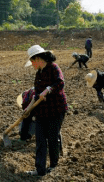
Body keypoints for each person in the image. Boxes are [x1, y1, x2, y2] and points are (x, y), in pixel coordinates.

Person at [24, 45, 68, 177]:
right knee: (40, 140)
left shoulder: (54, 67)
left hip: (56, 109)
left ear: (38, 58)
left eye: (32, 61)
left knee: (53, 139)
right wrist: (29, 107)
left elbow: (60, 83)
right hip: (41, 112)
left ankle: (54, 165)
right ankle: (40, 170)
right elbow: (36, 95)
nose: (31, 64)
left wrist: (48, 90)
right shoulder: (38, 73)